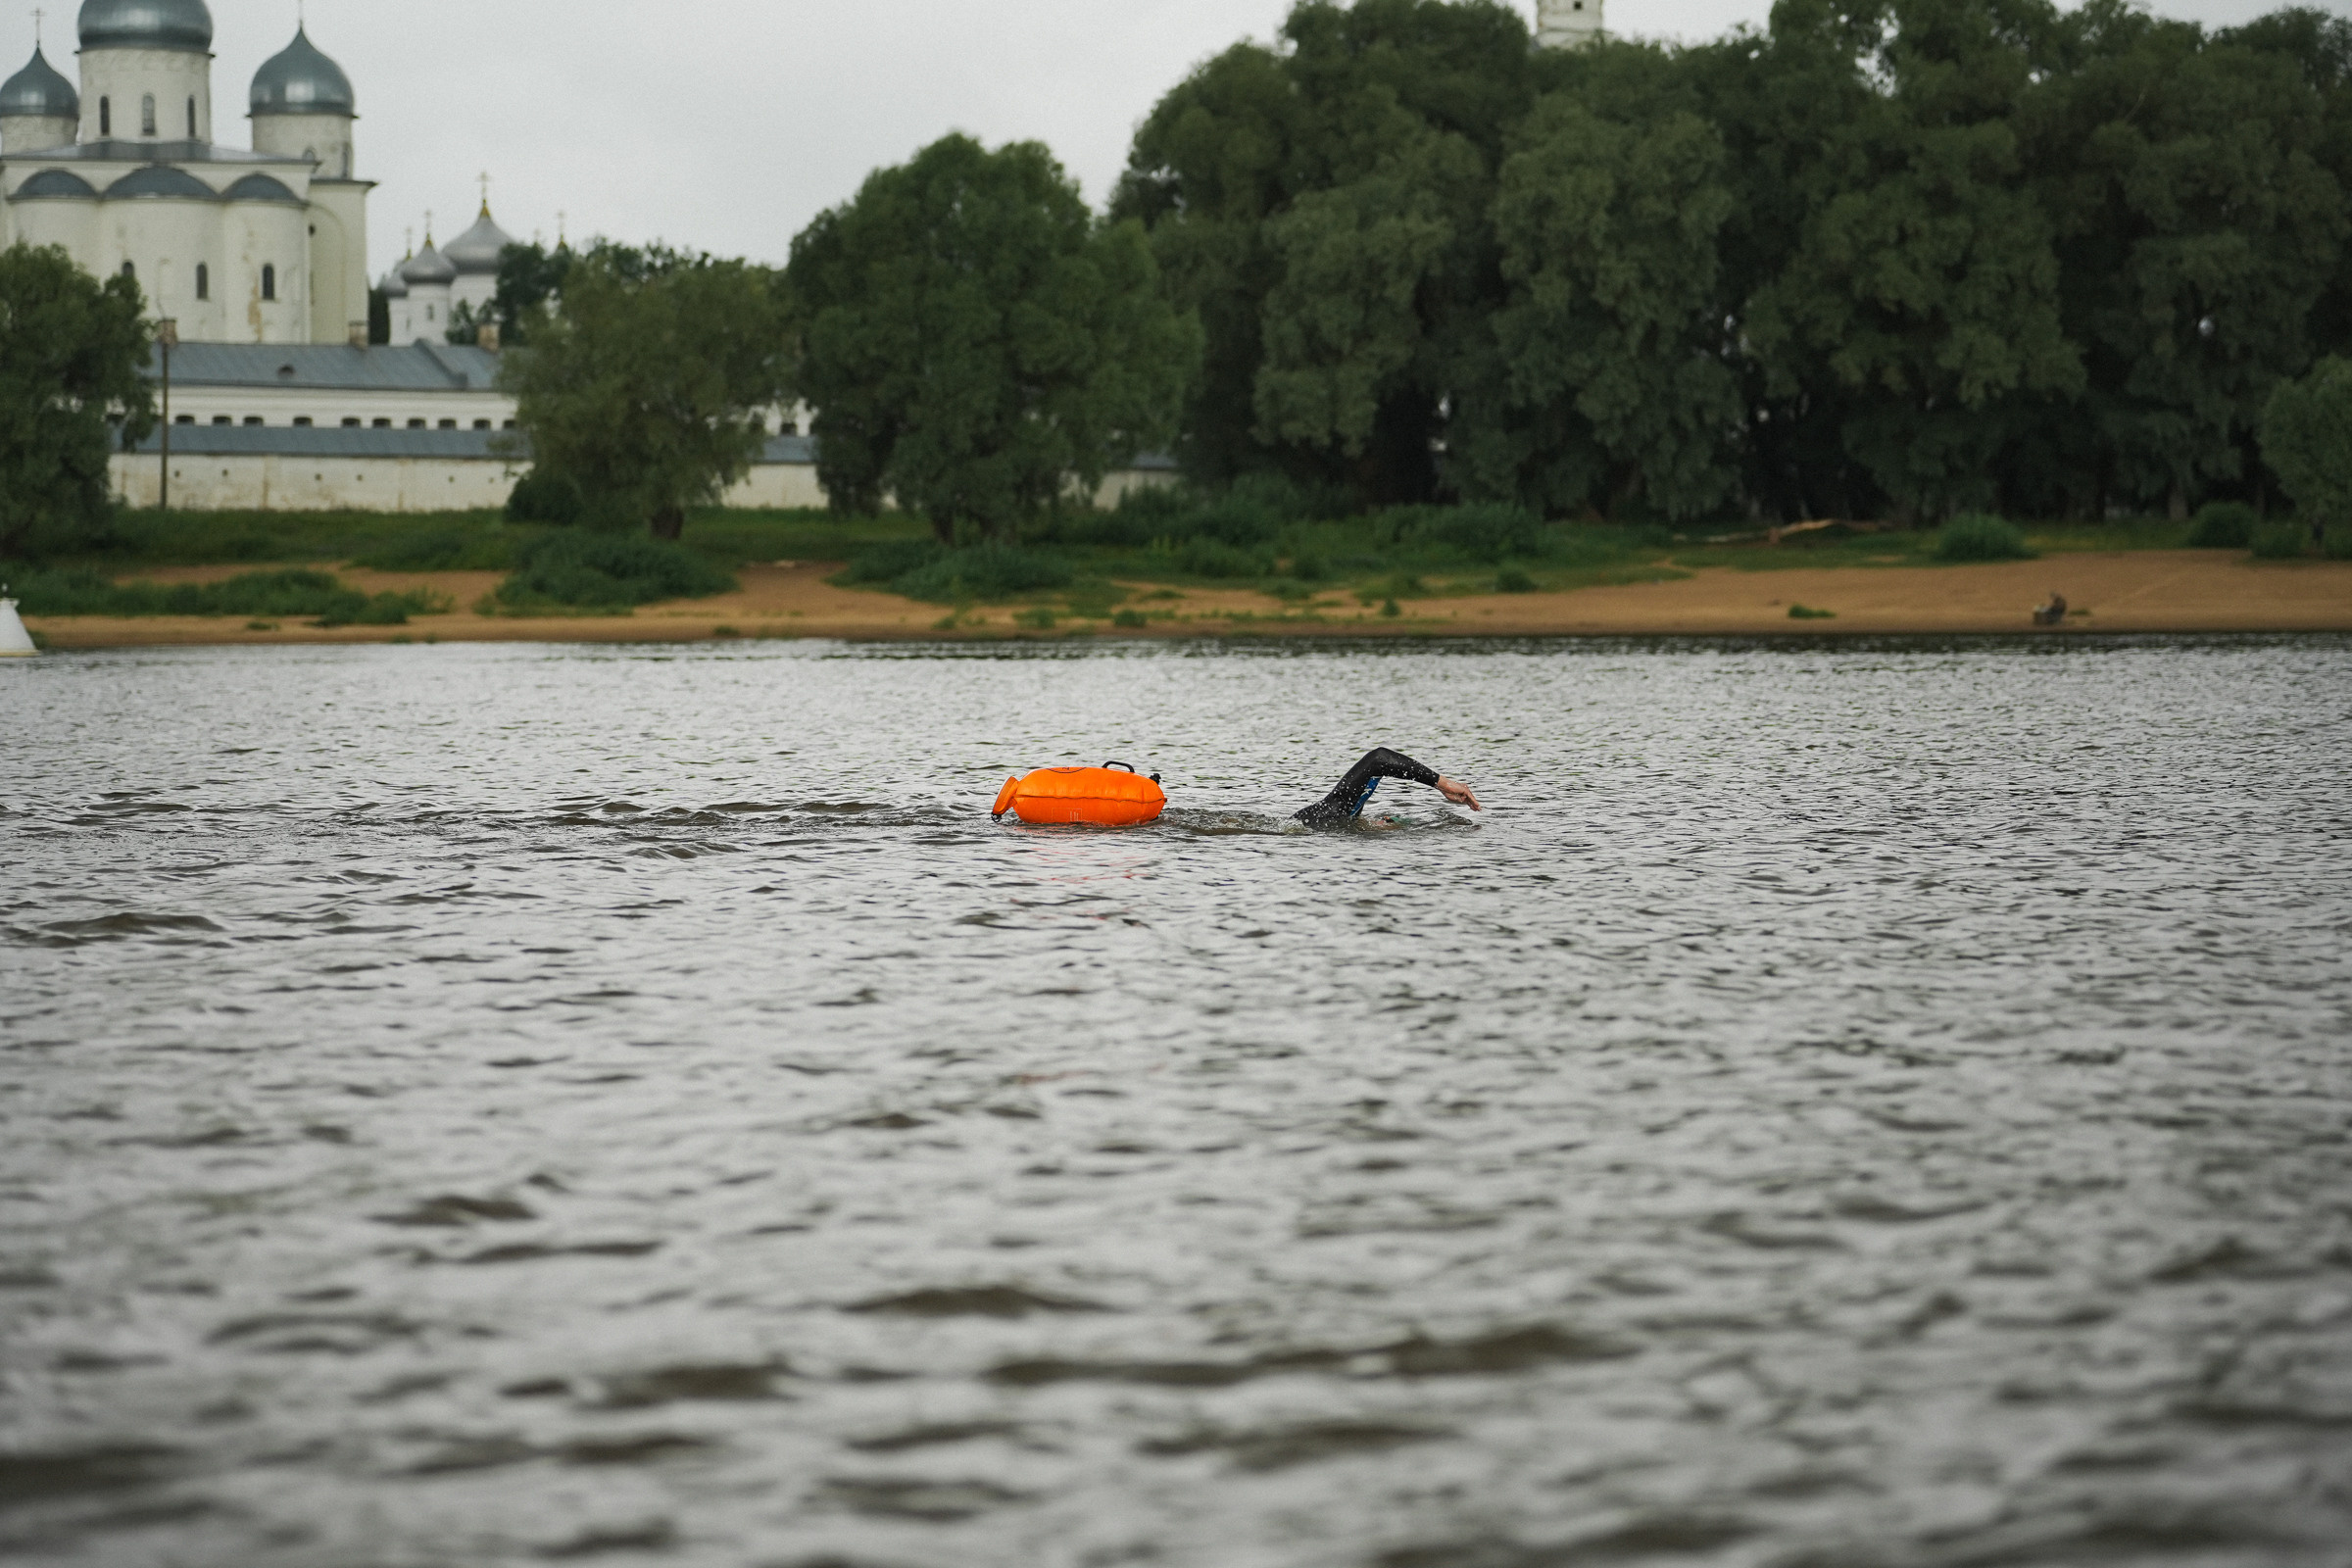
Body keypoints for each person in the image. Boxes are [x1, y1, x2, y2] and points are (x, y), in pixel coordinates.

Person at [1297, 748, 1482, 828]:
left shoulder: (1340, 813)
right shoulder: (1336, 811)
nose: (1385, 821)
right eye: (1388, 822)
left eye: (1388, 822)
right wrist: (1443, 784)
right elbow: (1379, 758)